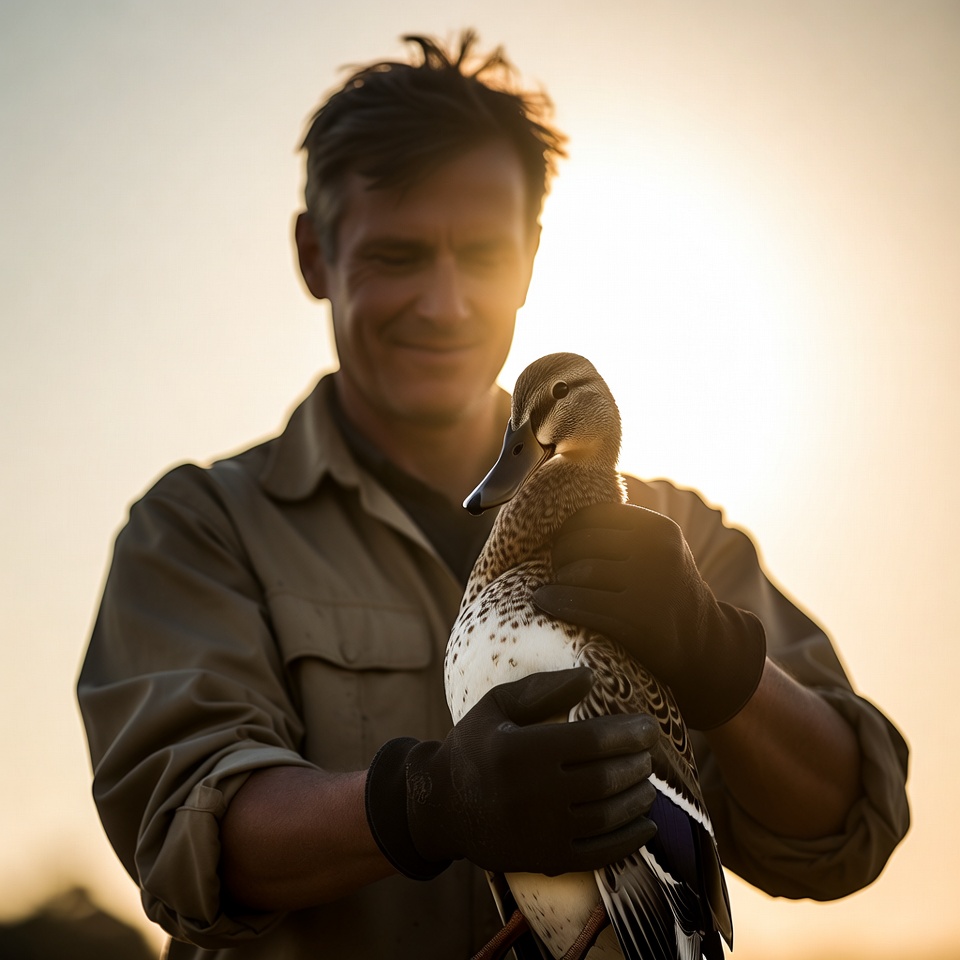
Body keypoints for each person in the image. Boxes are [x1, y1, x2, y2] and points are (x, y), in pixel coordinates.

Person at [77, 32, 910, 960]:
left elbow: (853, 825)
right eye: (396, 255)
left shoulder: (672, 530)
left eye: (479, 254)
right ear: (315, 254)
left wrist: (721, 658)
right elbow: (185, 837)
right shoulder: (199, 529)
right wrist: (426, 804)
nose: (444, 303)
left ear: (530, 256)